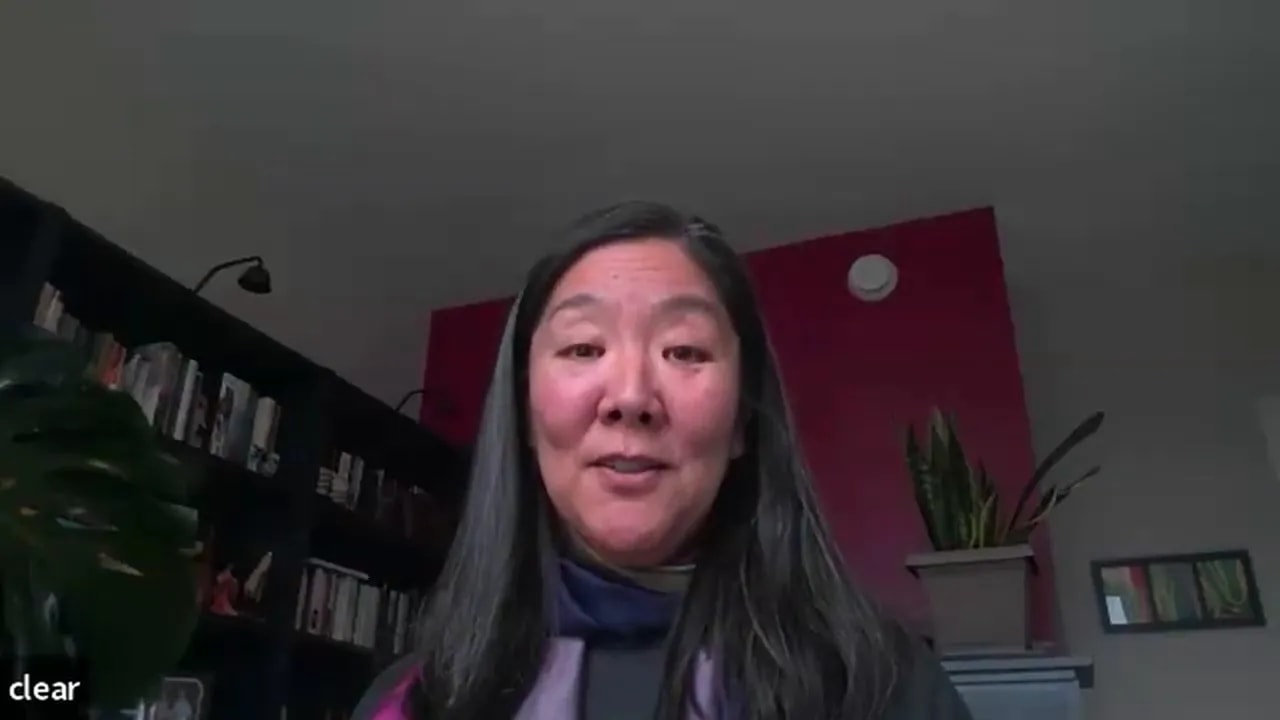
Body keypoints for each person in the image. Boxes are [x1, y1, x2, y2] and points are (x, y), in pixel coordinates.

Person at [354, 201, 972, 719]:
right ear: (523, 417)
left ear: (742, 424)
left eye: (683, 351)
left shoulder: (881, 688)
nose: (629, 397)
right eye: (583, 346)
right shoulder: (415, 703)